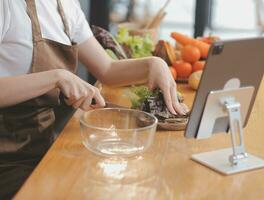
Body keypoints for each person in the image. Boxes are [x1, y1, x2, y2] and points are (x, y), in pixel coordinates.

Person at [0, 0, 186, 199]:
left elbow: (107, 69)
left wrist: (152, 64)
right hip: (10, 158)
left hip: (45, 141)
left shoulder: (65, 5)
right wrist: (57, 77)